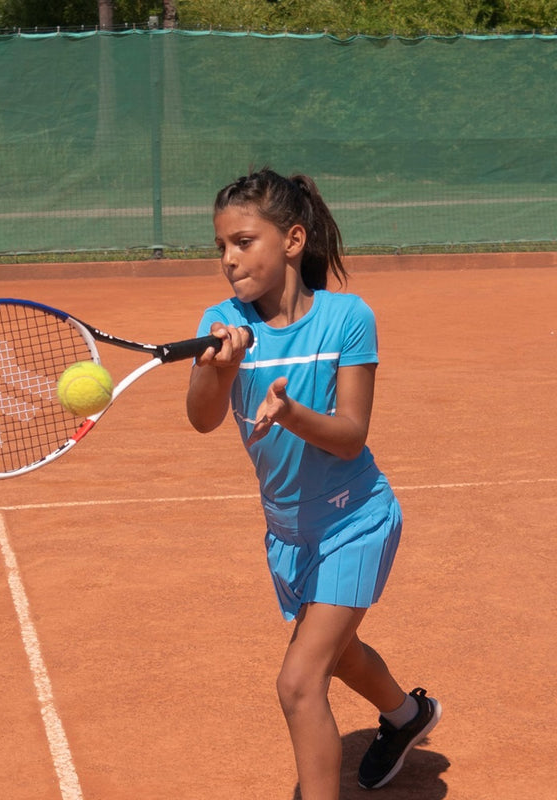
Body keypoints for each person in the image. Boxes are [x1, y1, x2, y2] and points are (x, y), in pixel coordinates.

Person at [186, 168, 441, 799]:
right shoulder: (222, 322)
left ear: (293, 240)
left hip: (355, 520)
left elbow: (351, 433)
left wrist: (291, 413)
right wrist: (219, 368)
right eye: (221, 246)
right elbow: (201, 418)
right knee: (342, 652)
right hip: (288, 533)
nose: (229, 259)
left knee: (300, 682)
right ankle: (410, 717)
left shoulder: (347, 319)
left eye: (244, 242)